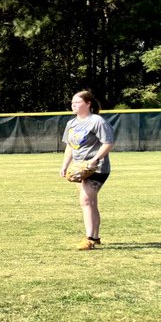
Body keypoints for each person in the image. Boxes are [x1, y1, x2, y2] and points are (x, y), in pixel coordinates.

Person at [61, 89, 114, 250]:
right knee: (90, 202)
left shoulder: (97, 121)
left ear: (88, 103)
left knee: (85, 200)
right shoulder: (71, 123)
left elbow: (108, 143)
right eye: (72, 103)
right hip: (79, 168)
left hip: (97, 167)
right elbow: (70, 146)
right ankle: (95, 237)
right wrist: (64, 165)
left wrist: (94, 159)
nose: (73, 105)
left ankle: (89, 238)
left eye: (77, 102)